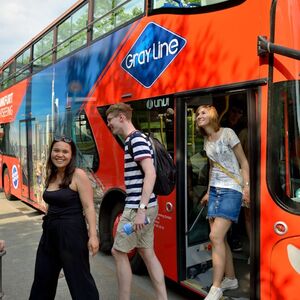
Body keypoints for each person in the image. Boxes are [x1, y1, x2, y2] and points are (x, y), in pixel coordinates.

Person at [106, 103, 168, 300]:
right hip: (148, 206)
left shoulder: (135, 140)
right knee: (147, 253)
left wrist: (140, 209)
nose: (109, 124)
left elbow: (150, 173)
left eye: (110, 120)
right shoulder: (138, 138)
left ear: (122, 117)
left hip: (137, 209)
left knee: (117, 251)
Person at [29, 136, 100, 300]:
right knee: (42, 279)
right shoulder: (52, 174)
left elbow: (89, 206)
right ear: (51, 153)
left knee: (79, 281)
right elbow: (52, 202)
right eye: (56, 150)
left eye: (65, 151)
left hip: (72, 235)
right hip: (49, 235)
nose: (60, 155)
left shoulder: (78, 175)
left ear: (71, 155)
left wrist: (93, 236)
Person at [196, 105, 250, 300]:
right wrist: (209, 192)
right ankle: (231, 279)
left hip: (232, 190)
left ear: (211, 115)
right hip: (216, 190)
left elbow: (244, 162)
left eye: (202, 112)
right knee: (221, 239)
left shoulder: (228, 133)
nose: (198, 116)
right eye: (197, 114)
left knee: (215, 237)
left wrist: (246, 188)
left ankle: (216, 287)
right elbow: (212, 168)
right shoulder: (206, 140)